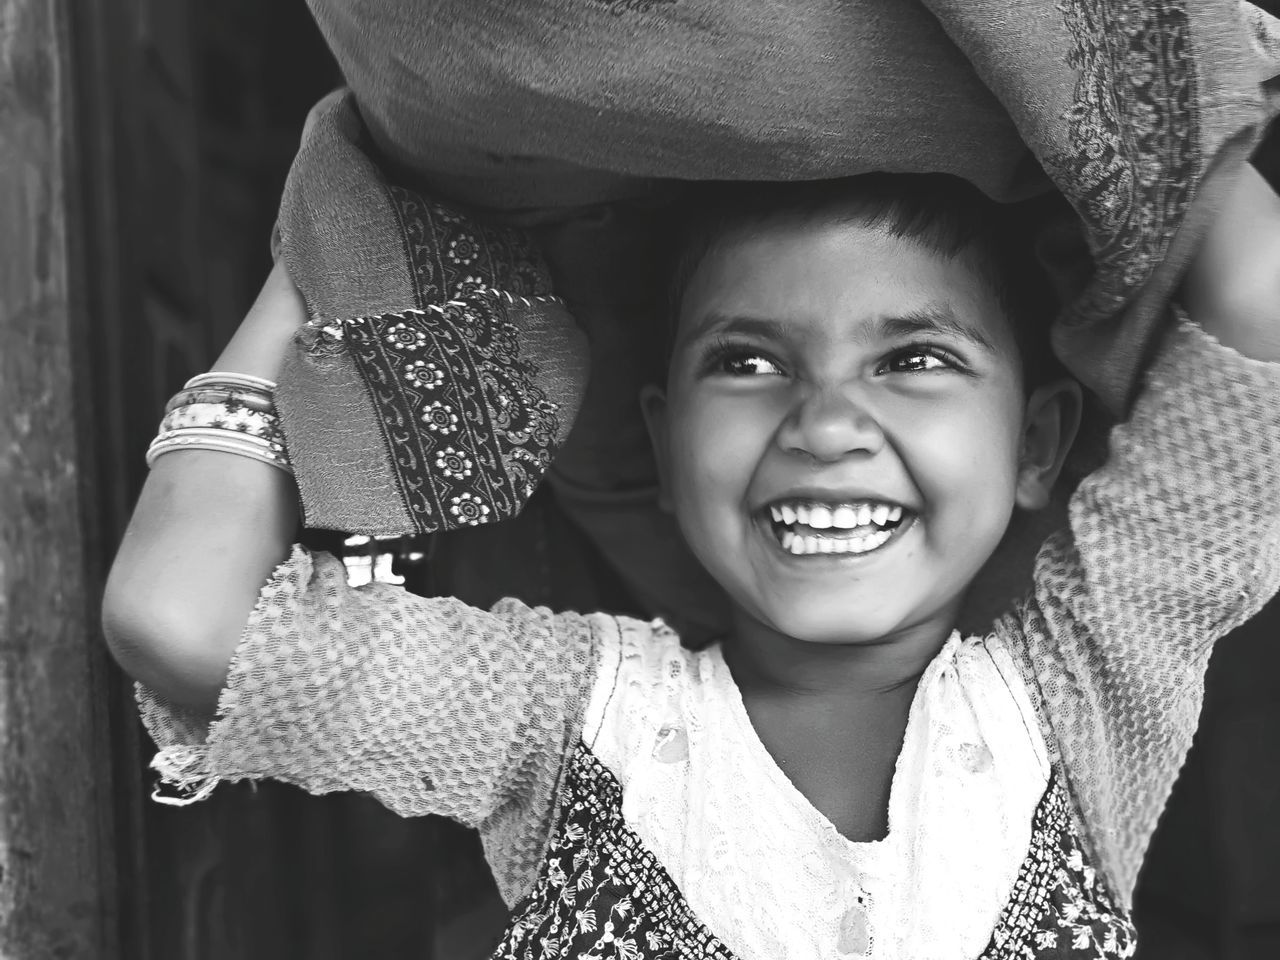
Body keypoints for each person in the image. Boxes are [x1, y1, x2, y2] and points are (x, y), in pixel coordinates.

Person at [102, 166, 1280, 959]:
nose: (824, 426)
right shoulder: (563, 719)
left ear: (1033, 445)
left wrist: (1115, 80)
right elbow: (184, 617)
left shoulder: (1080, 695)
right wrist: (344, 214)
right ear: (665, 446)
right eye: (750, 363)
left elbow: (1257, 300)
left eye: (913, 359)